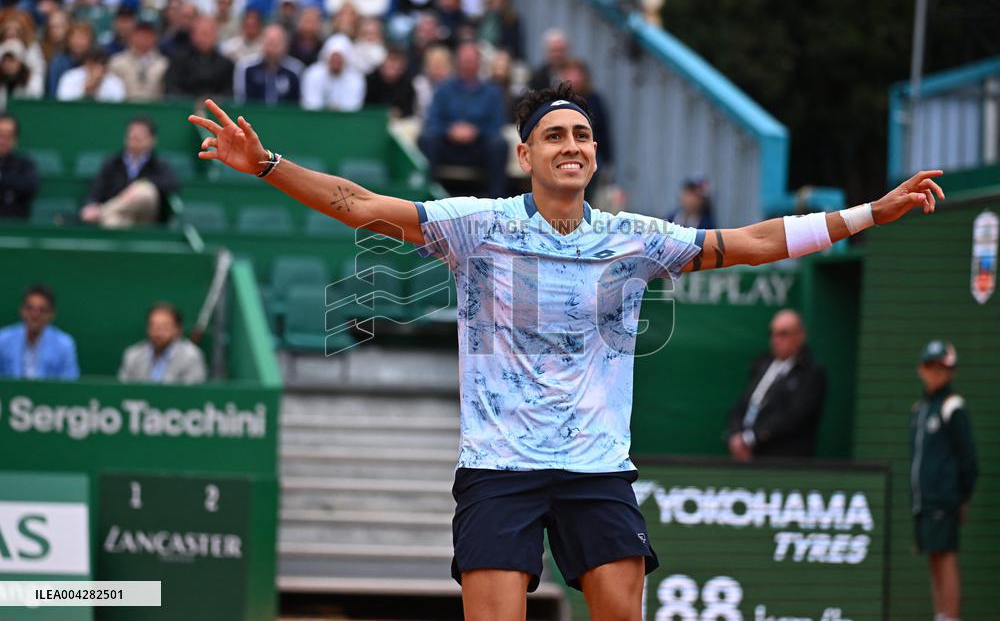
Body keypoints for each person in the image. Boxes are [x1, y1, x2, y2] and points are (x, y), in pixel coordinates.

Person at [189, 82, 945, 621]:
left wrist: (869, 214)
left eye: (583, 135)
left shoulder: (636, 237)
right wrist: (265, 164)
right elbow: (357, 204)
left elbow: (751, 241)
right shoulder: (473, 224)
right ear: (526, 154)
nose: (572, 145)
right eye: (556, 134)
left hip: (597, 469)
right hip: (499, 469)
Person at [911, 340, 978, 621]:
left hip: (945, 498)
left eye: (943, 368)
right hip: (923, 498)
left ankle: (950, 617)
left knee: (946, 556)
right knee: (934, 557)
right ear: (921, 369)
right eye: (931, 367)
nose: (937, 373)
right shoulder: (919, 409)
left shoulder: (953, 406)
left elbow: (968, 458)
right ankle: (940, 614)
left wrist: (962, 496)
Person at [726, 309, 826, 460]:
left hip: (784, 463)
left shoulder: (811, 373)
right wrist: (736, 436)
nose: (776, 339)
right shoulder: (762, 364)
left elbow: (793, 417)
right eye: (772, 333)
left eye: (783, 333)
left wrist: (751, 439)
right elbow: (743, 405)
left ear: (800, 336)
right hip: (749, 458)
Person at [418, 41, 506, 197]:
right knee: (426, 139)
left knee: (499, 144)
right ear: (457, 62)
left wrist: (476, 131)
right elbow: (432, 120)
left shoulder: (492, 92)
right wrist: (450, 130)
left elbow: (497, 124)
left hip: (478, 148)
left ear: (479, 63)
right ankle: (425, 195)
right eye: (464, 61)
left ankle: (496, 201)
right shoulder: (443, 89)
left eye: (471, 61)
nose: (468, 65)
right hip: (448, 146)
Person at [79, 116, 178, 227]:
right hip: (121, 218)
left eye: (140, 133)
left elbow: (171, 185)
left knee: (145, 190)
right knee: (111, 222)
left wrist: (137, 188)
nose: (134, 135)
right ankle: (105, 214)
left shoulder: (160, 164)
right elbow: (97, 190)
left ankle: (102, 212)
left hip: (147, 219)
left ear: (152, 139)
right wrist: (91, 205)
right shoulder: (112, 163)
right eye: (132, 132)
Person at [0, 284, 79, 380]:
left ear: (51, 314)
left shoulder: (64, 344)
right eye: (30, 308)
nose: (35, 315)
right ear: (21, 310)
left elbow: (69, 384)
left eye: (42, 310)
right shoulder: (2, 340)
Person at [118, 302, 207, 384]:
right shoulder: (133, 354)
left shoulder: (191, 356)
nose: (158, 333)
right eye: (154, 326)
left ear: (178, 329)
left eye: (164, 327)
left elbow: (192, 393)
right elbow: (123, 389)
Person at [164, 15, 233, 99]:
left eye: (207, 34)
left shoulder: (226, 64)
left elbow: (229, 93)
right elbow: (172, 89)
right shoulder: (178, 60)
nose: (204, 38)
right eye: (200, 34)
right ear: (192, 35)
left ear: (215, 36)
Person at [234, 24, 303, 106]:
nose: (273, 46)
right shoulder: (245, 67)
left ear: (286, 45)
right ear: (262, 42)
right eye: (270, 41)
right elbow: (240, 100)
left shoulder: (296, 69)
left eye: (277, 42)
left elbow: (300, 104)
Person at [300, 34, 366, 112]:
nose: (336, 61)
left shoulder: (356, 78)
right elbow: (310, 104)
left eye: (339, 58)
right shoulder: (312, 74)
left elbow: (353, 106)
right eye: (333, 57)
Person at [108, 19, 168, 101]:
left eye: (147, 35)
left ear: (154, 37)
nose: (142, 39)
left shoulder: (164, 63)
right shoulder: (117, 62)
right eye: (139, 35)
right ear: (131, 36)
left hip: (155, 109)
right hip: (124, 109)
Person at [0, 113, 38, 219]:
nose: (2, 141)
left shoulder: (24, 163)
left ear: (15, 139)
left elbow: (30, 187)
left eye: (7, 136)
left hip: (12, 222)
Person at [56, 47, 125, 101]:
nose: (97, 69)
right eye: (93, 64)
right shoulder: (70, 77)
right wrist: (86, 91)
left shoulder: (115, 82)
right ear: (86, 64)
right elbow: (64, 104)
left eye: (101, 64)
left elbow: (116, 105)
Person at [364, 48, 415, 119]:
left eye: (394, 65)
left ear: (402, 68)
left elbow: (409, 111)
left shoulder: (408, 84)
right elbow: (365, 107)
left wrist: (400, 113)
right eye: (389, 64)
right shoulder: (370, 81)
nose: (391, 68)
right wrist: (383, 112)